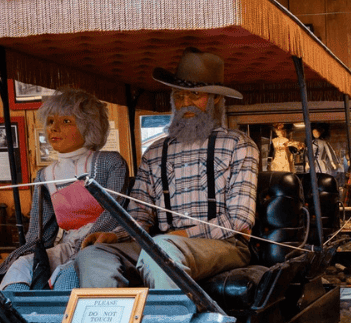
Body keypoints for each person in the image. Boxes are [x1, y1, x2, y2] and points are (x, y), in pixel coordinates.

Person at [75, 48, 259, 290]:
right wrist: (116, 235)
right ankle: (117, 315)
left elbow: (239, 219)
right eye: (178, 96)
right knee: (92, 255)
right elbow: (140, 215)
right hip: (161, 244)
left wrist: (183, 236)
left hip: (225, 245)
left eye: (195, 94)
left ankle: (172, 315)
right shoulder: (155, 152)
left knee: (162, 251)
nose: (185, 103)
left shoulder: (239, 145)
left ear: (215, 98)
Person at [0, 88, 128, 291]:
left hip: (104, 244)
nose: (54, 128)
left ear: (89, 126)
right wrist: (26, 255)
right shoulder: (45, 175)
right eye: (50, 122)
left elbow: (115, 213)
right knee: (21, 267)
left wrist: (83, 244)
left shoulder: (110, 162)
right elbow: (40, 231)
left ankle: (59, 311)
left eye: (66, 121)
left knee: (68, 274)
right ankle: (15, 308)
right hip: (68, 245)